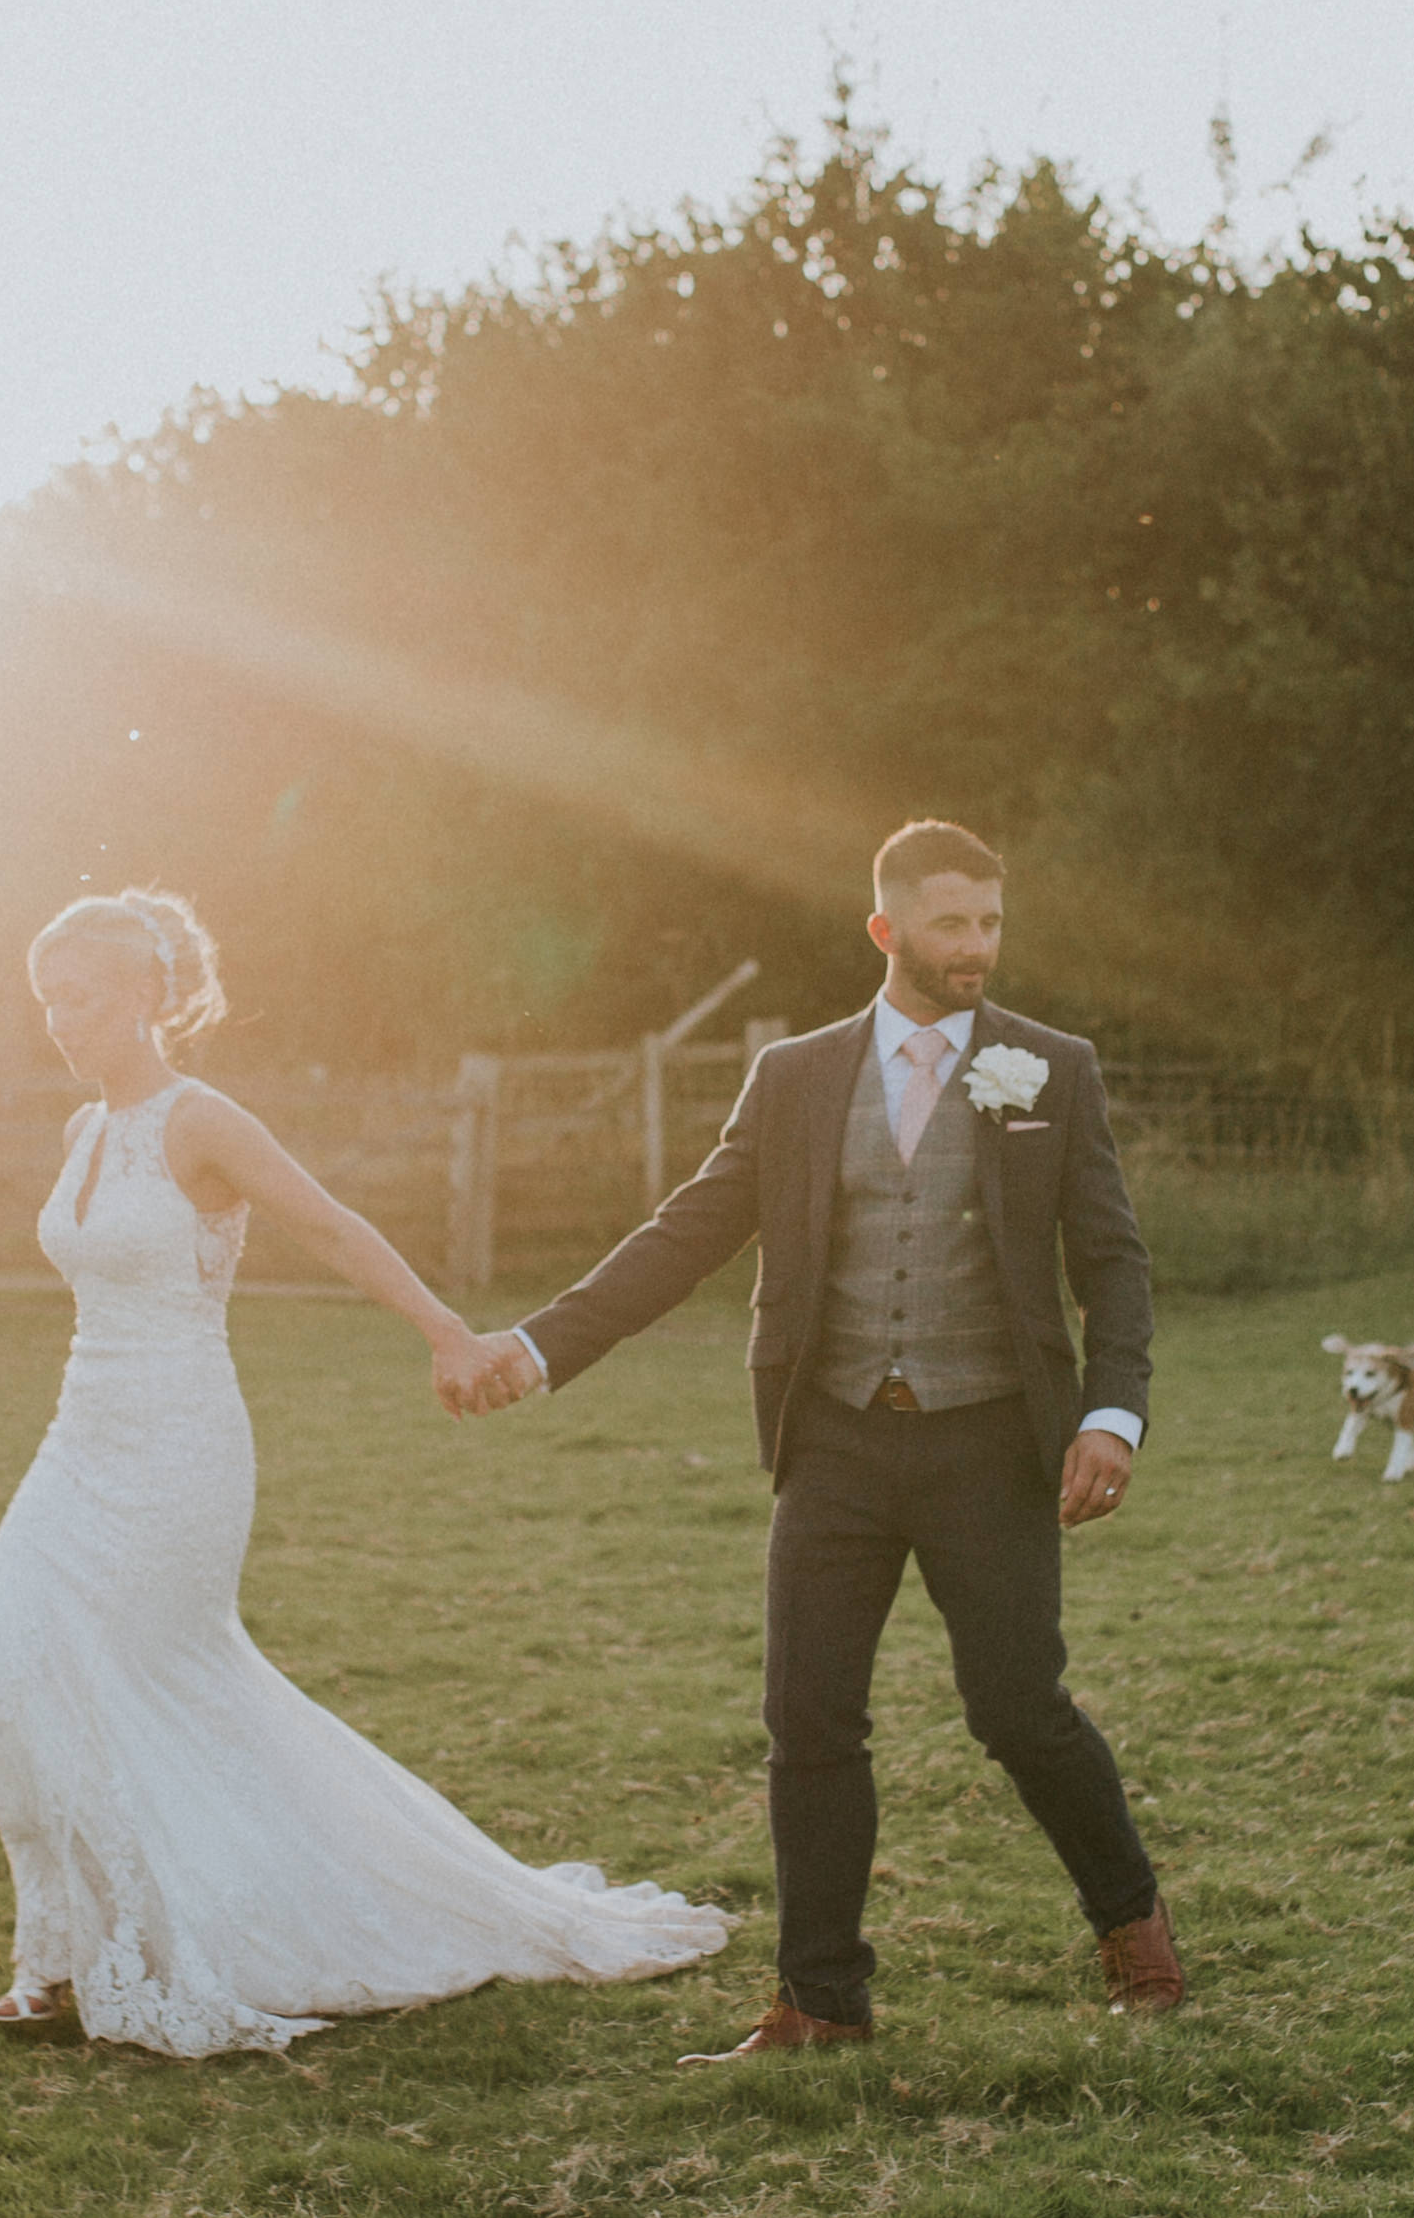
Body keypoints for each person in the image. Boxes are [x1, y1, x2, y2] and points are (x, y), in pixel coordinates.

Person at [449, 821, 1179, 2058]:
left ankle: (1133, 1922)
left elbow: (1110, 1258)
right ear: (887, 929)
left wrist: (1111, 1413)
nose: (977, 947)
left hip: (990, 1442)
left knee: (1016, 1707)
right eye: (952, 923)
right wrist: (540, 1343)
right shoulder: (795, 1077)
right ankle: (822, 2003)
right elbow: (687, 1232)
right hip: (834, 1440)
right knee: (809, 1719)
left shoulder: (1050, 1068)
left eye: (992, 922)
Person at [0, 889, 724, 2056]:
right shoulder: (81, 1134)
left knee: (138, 1682)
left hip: (179, 1445)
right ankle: (55, 1952)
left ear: (152, 994)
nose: (62, 1020)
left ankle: (99, 1962)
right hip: (80, 1437)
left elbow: (330, 1225)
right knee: (4, 1658)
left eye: (85, 996)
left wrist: (445, 1331)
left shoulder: (199, 1118)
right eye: (48, 999)